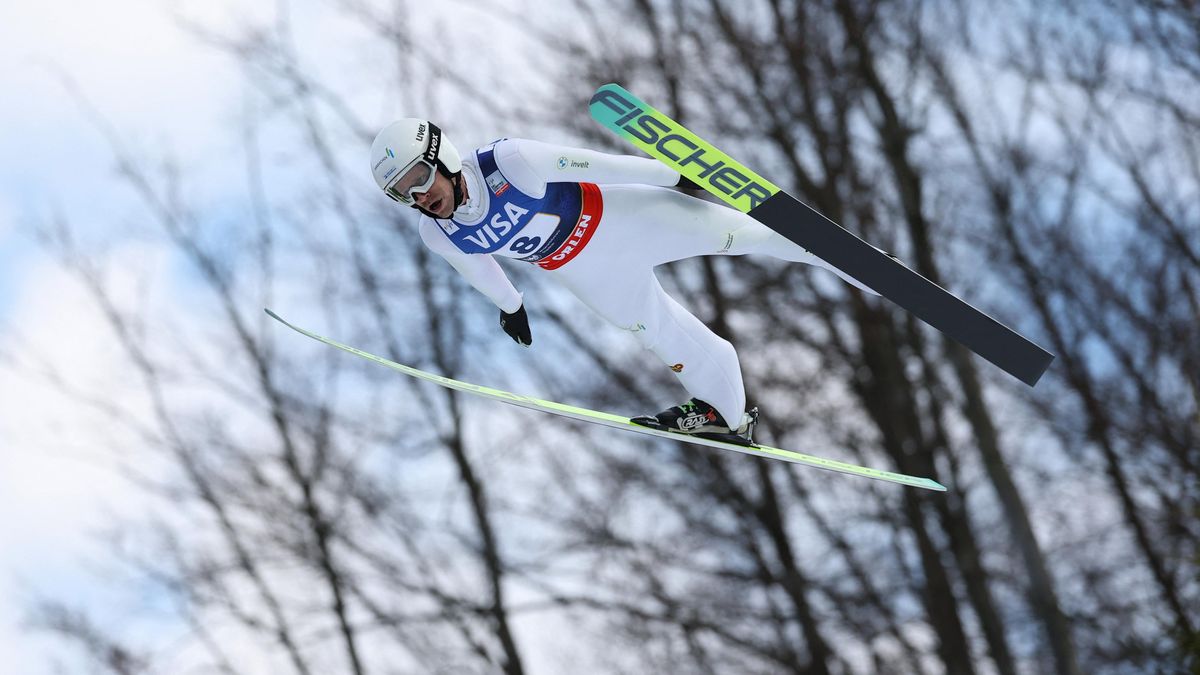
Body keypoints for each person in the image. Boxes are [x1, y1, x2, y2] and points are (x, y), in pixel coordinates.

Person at [369, 118, 876, 445]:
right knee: (656, 333)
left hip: (623, 218)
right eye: (402, 193)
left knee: (738, 234)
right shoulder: (437, 233)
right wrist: (510, 304)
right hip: (582, 269)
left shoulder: (510, 161)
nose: (418, 196)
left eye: (417, 178)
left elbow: (599, 165)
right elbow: (478, 268)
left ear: (443, 155)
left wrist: (670, 176)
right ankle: (726, 412)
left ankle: (853, 261)